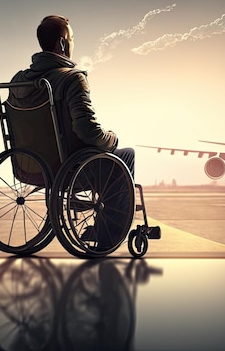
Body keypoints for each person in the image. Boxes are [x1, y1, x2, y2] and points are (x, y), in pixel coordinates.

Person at [8, 15, 135, 249]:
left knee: (99, 157)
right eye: (72, 38)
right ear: (63, 44)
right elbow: (88, 131)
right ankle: (109, 233)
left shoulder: (18, 81)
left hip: (29, 167)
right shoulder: (72, 79)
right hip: (68, 169)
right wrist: (112, 138)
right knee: (125, 155)